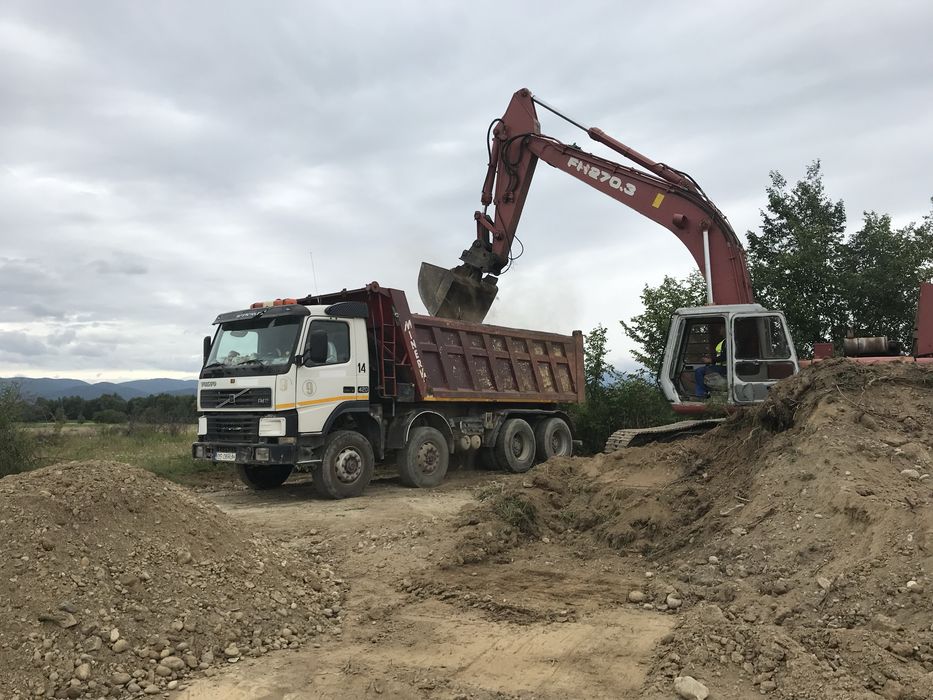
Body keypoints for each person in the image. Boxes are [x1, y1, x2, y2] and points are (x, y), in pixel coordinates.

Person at [695, 329, 726, 399]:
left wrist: (711, 360)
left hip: (725, 368)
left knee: (699, 371)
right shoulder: (724, 342)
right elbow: (720, 356)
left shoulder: (729, 342)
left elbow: (726, 356)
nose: (720, 332)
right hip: (719, 366)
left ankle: (702, 394)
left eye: (721, 328)